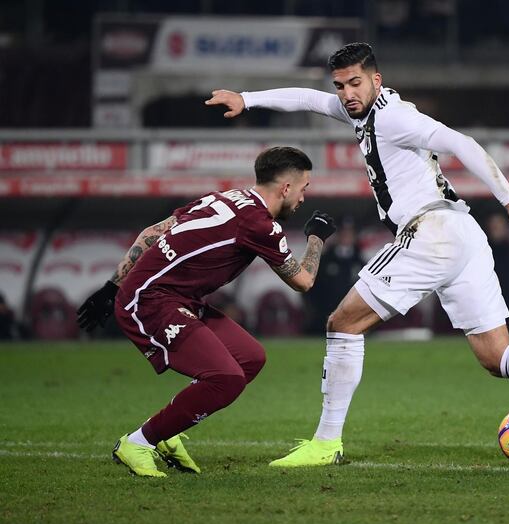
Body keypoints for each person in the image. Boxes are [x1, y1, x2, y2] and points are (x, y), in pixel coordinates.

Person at [206, 42, 509, 467]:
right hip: (461, 233)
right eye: (340, 85)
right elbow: (307, 99)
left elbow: (460, 141)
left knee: (343, 323)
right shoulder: (362, 109)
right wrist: (247, 99)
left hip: (431, 233)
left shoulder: (394, 117)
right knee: (496, 356)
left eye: (355, 83)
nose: (346, 94)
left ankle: (326, 442)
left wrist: (508, 197)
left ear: (376, 80)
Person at [76, 147, 337, 477]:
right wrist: (317, 237)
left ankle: (168, 432)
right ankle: (138, 443)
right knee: (226, 378)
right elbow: (303, 281)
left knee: (250, 357)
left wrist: (111, 286)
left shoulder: (224, 198)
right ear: (286, 188)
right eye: (304, 188)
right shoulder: (260, 225)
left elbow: (151, 233)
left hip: (180, 299)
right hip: (152, 300)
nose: (303, 197)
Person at [303, 217, 365, 333]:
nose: (346, 236)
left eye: (350, 232)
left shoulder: (360, 262)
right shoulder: (325, 260)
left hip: (352, 318)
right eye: (343, 232)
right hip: (324, 318)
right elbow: (309, 286)